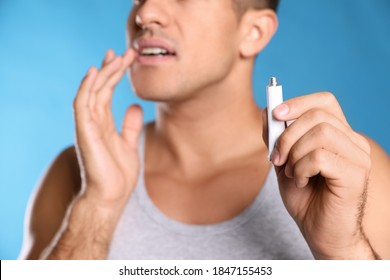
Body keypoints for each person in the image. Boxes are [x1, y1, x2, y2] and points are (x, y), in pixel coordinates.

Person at [19, 0, 390, 260]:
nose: (145, 13)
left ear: (254, 32)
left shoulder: (347, 170)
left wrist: (343, 252)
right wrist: (96, 207)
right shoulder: (77, 172)